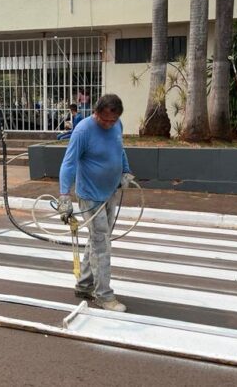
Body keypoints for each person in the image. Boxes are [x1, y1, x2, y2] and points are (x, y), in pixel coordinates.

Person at [57, 94, 134, 312]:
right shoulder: (83, 130)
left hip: (110, 192)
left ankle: (84, 285)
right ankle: (104, 295)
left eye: (113, 120)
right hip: (90, 196)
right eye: (105, 120)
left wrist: (126, 171)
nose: (109, 124)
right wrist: (64, 196)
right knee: (102, 243)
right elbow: (68, 164)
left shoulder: (117, 124)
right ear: (96, 112)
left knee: (97, 239)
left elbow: (120, 149)